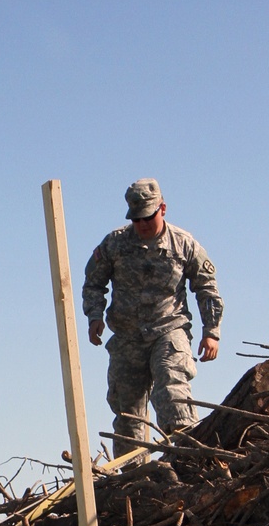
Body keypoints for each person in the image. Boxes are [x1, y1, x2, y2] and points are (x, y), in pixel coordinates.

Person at [83, 178, 225, 449]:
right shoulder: (114, 244)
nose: (142, 224)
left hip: (168, 329)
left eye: (148, 217)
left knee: (172, 385)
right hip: (127, 337)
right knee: (127, 412)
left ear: (162, 208)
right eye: (136, 219)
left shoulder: (184, 244)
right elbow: (93, 283)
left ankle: (185, 453)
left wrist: (211, 332)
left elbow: (207, 288)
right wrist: (94, 316)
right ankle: (134, 479)